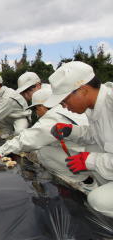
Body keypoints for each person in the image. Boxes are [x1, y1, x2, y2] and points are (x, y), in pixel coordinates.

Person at [45, 61, 113, 218]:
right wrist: (71, 131)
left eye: (64, 100)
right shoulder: (95, 107)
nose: (64, 106)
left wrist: (90, 161)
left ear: (82, 90)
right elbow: (97, 135)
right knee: (92, 148)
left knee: (98, 201)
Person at [0, 86, 93, 186]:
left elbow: (28, 139)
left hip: (88, 162)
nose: (36, 112)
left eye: (35, 108)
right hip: (90, 153)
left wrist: (1, 151)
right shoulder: (68, 110)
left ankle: (82, 182)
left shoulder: (53, 116)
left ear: (42, 106)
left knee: (44, 153)